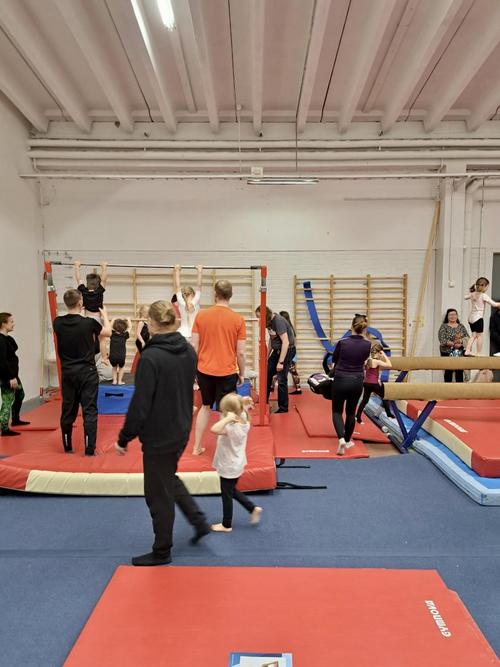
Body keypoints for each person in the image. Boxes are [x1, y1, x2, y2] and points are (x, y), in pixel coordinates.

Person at [115, 300, 210, 566]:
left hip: (160, 434)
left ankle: (162, 550)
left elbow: (140, 404)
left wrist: (124, 437)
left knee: (157, 493)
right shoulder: (188, 351)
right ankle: (199, 521)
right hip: (181, 428)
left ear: (151, 324)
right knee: (167, 477)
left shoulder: (151, 357)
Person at [53, 290, 112, 455]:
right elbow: (107, 332)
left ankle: (67, 447)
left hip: (68, 373)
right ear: (80, 303)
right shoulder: (88, 323)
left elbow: (74, 326)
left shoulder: (57, 322)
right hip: (87, 372)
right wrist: (105, 315)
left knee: (68, 410)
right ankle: (89, 449)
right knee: (89, 410)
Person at [191, 280, 246, 456]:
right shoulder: (238, 319)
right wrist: (242, 373)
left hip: (204, 370)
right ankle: (227, 451)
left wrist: (193, 370)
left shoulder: (201, 316)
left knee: (205, 406)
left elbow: (194, 346)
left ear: (215, 294)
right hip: (227, 372)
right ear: (231, 295)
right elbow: (241, 353)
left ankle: (196, 447)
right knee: (227, 411)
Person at [210, 393, 262, 532]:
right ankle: (252, 508)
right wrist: (242, 403)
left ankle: (226, 524)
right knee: (231, 490)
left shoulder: (230, 428)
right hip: (237, 463)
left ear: (229, 413)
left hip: (228, 466)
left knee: (226, 495)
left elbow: (213, 429)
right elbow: (241, 408)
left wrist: (227, 419)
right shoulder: (244, 420)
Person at [330, 314, 371, 456]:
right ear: (364, 328)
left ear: (351, 327)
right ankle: (347, 441)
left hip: (341, 379)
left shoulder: (343, 343)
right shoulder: (367, 345)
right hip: (357, 381)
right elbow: (364, 360)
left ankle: (341, 438)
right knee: (351, 413)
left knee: (337, 412)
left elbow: (334, 359)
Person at [255, 306, 296, 413]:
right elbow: (271, 340)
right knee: (267, 373)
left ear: (265, 315)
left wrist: (280, 362)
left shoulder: (278, 321)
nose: (259, 320)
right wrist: (266, 356)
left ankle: (283, 408)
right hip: (277, 350)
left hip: (287, 350)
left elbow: (286, 342)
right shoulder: (269, 323)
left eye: (259, 317)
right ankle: (264, 401)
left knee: (281, 379)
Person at [0, 313, 30, 436]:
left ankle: (16, 419)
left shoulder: (7, 339)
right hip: (7, 376)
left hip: (14, 375)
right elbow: (2, 362)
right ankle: (4, 429)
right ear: (3, 324)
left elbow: (13, 348)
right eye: (11, 322)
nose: (13, 324)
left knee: (20, 394)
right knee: (7, 400)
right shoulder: (1, 341)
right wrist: (10, 378)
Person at [355, 342, 394, 424]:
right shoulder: (376, 361)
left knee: (364, 401)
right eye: (380, 353)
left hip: (366, 383)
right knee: (385, 396)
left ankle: (358, 416)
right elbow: (390, 365)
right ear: (379, 352)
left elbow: (369, 372)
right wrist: (384, 355)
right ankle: (388, 413)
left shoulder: (367, 360)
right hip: (373, 384)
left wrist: (378, 379)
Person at [464, 278, 500, 355]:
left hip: (471, 318)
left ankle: (467, 350)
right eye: (487, 287)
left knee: (474, 335)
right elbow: (494, 304)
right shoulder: (483, 295)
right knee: (479, 336)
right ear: (484, 286)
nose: (487, 289)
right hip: (478, 318)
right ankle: (479, 352)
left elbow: (465, 297)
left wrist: (473, 290)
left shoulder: (472, 294)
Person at [438, 309, 469, 382]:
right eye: (450, 315)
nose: (453, 316)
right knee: (448, 371)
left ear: (457, 316)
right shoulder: (444, 326)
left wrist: (461, 342)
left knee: (459, 371)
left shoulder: (461, 326)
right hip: (446, 351)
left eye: (454, 314)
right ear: (447, 316)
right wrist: (453, 344)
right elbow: (442, 339)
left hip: (459, 351)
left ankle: (459, 388)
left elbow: (467, 337)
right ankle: (447, 388)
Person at [173, 264, 203, 341]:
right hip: (195, 333)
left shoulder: (180, 301)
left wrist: (177, 271)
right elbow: (199, 286)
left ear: (183, 295)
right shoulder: (196, 300)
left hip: (182, 334)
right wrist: (199, 271)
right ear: (193, 293)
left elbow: (177, 287)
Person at [279, 311, 302, 394]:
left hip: (290, 351)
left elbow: (287, 342)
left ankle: (298, 389)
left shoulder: (286, 328)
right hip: (292, 351)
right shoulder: (290, 327)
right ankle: (298, 389)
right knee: (293, 371)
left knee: (291, 370)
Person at [109, 318, 131, 385]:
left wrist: (113, 319)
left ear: (114, 327)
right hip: (121, 356)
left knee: (114, 368)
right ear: (124, 328)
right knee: (121, 368)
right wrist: (128, 320)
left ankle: (114, 381)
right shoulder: (124, 335)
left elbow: (109, 327)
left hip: (112, 356)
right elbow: (130, 327)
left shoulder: (112, 334)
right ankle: (119, 381)